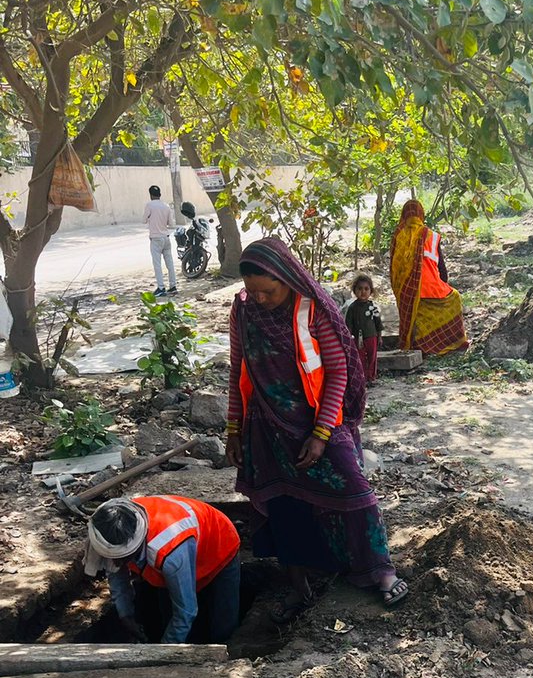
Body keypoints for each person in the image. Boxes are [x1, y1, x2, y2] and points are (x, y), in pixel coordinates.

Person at [226, 236, 407, 617]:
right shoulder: (243, 310)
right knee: (282, 505)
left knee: (355, 492)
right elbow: (237, 367)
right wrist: (232, 429)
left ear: (285, 278)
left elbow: (339, 370)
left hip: (316, 423)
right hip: (265, 426)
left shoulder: (313, 310)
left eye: (268, 292)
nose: (260, 299)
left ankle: (381, 571)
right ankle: (299, 586)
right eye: (252, 292)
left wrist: (322, 434)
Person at [84, 496, 241, 643]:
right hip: (179, 550)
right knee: (168, 618)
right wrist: (126, 615)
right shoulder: (105, 529)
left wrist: (163, 654)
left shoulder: (169, 549)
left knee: (222, 624)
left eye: (119, 559)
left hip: (219, 544)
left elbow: (186, 610)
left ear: (134, 549)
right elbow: (116, 576)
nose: (114, 563)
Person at [389, 200, 468, 356]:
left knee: (413, 309)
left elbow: (393, 270)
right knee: (455, 298)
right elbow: (443, 271)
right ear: (421, 214)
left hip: (407, 292)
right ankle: (450, 342)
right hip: (432, 289)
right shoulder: (431, 235)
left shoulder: (397, 236)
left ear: (404, 215)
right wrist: (442, 285)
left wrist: (403, 291)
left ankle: (417, 344)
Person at [345, 273, 383, 386]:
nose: (363, 292)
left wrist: (379, 337)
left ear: (371, 291)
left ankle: (371, 377)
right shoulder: (352, 308)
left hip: (372, 337)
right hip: (358, 339)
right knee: (360, 358)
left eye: (366, 289)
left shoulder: (372, 307)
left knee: (372, 357)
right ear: (354, 290)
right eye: (360, 289)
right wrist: (349, 339)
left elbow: (378, 323)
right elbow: (348, 325)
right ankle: (362, 378)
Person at [143, 185, 178, 297]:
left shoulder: (149, 205)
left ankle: (161, 288)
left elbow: (143, 220)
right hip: (166, 237)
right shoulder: (166, 206)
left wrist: (151, 219)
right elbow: (171, 223)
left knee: (157, 264)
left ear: (150, 195)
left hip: (155, 238)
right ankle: (173, 286)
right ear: (160, 194)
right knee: (170, 263)